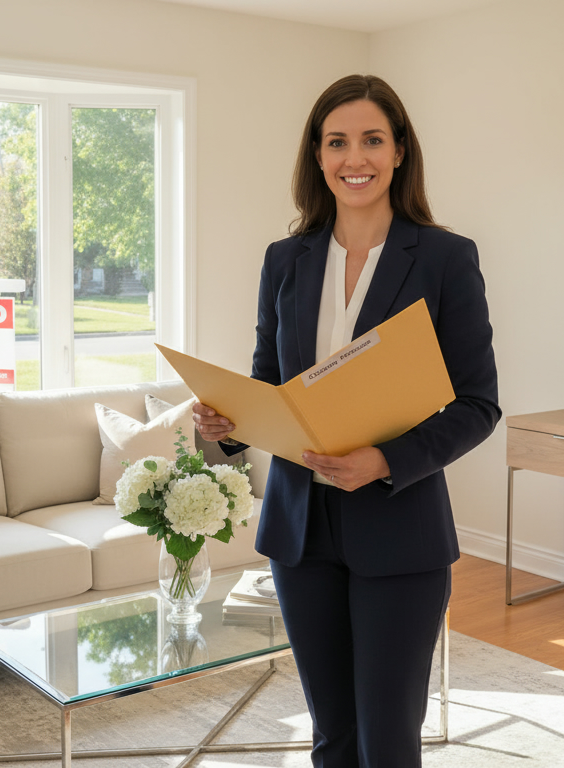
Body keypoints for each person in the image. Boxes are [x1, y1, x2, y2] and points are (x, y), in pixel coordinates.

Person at [193, 74, 500, 768]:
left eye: (370, 140)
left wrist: (386, 460)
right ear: (317, 154)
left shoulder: (447, 258)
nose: (352, 157)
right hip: (301, 535)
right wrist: (228, 424)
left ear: (398, 153)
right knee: (330, 737)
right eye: (337, 141)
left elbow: (479, 404)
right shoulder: (286, 260)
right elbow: (269, 380)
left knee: (388, 743)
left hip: (400, 533)